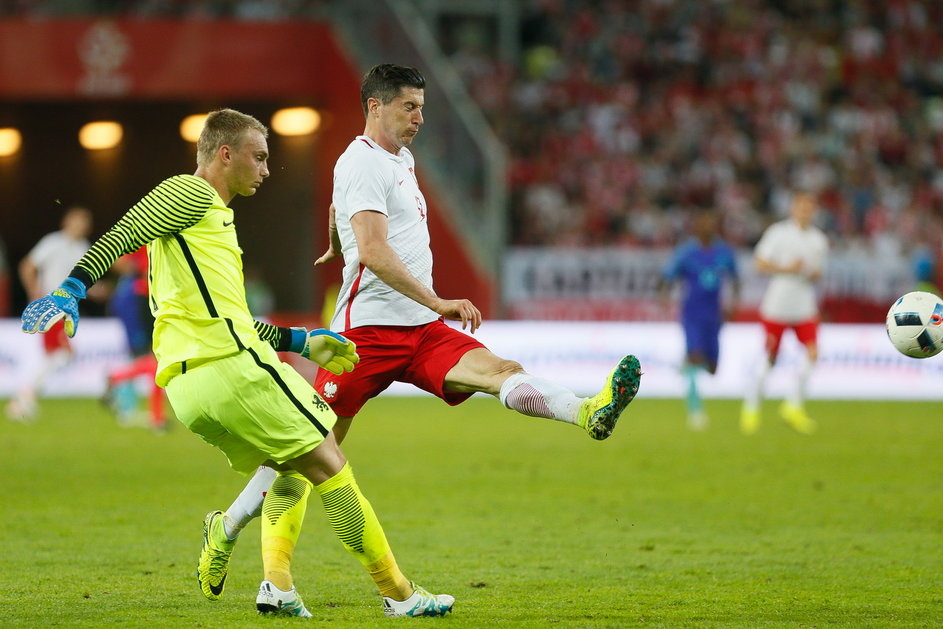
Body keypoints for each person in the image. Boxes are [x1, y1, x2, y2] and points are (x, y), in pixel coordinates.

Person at [197, 64, 642, 605]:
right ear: (376, 106)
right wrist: (434, 297)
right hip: (364, 336)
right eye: (410, 107)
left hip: (421, 331)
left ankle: (587, 411)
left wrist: (340, 239)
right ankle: (241, 544)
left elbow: (354, 212)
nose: (420, 119)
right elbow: (378, 251)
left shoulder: (398, 160)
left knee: (499, 372)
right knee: (306, 454)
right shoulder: (359, 160)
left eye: (422, 108)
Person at [20, 108, 455, 619]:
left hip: (188, 388)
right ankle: (400, 596)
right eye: (260, 157)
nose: (268, 169)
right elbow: (126, 229)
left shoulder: (211, 224)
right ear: (225, 154)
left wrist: (300, 339)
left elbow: (233, 318)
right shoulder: (191, 191)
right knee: (329, 458)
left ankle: (253, 559)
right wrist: (74, 283)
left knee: (296, 458)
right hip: (231, 370)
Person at [740, 192, 829, 435]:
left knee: (812, 353)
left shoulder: (818, 239)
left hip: (804, 306)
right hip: (777, 306)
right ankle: (751, 408)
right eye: (801, 206)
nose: (805, 211)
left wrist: (811, 273)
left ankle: (793, 406)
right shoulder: (778, 233)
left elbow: (819, 272)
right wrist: (786, 268)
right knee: (770, 358)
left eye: (809, 207)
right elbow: (759, 263)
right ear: (793, 208)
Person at [6, 205, 92, 422]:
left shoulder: (83, 247)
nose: (82, 225)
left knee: (56, 356)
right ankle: (23, 397)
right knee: (62, 354)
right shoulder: (53, 242)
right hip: (52, 305)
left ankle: (24, 397)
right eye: (78, 220)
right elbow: (27, 265)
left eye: (85, 222)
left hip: (68, 309)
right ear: (67, 222)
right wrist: (34, 291)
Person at [661, 208, 740, 430]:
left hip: (714, 315)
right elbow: (668, 276)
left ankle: (686, 367)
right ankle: (696, 412)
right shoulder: (686, 253)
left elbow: (736, 279)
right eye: (703, 224)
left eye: (710, 224)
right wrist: (664, 298)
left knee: (713, 368)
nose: (707, 227)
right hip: (692, 314)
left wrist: (734, 303)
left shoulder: (724, 252)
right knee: (696, 357)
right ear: (696, 228)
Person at [103, 247, 165, 430]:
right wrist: (140, 271)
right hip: (142, 300)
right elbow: (119, 260)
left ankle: (154, 416)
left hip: (149, 298)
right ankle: (154, 416)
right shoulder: (147, 237)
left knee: (153, 359)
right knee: (151, 358)